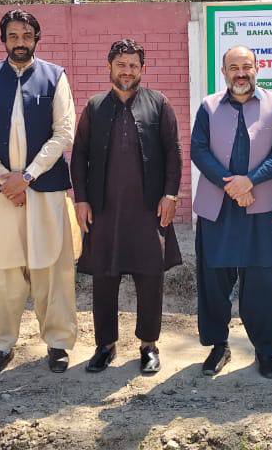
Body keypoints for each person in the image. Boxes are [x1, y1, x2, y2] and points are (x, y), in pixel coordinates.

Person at [0, 9, 77, 377]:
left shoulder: (54, 76)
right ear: (4, 40)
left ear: (36, 38)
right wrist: (4, 178)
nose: (20, 42)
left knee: (53, 266)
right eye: (13, 36)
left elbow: (64, 132)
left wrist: (27, 176)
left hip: (44, 188)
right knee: (0, 268)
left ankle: (59, 342)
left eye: (26, 35)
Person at [73, 38, 183, 374]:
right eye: (121, 64)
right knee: (104, 280)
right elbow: (79, 156)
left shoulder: (158, 104)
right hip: (104, 212)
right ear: (110, 67)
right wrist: (81, 199)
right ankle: (105, 345)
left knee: (150, 279)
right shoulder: (94, 107)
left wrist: (171, 195)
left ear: (142, 70)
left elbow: (173, 153)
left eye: (134, 65)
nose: (127, 71)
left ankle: (149, 345)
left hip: (149, 211)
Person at [191, 45, 272, 379]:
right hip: (217, 206)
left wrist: (250, 182)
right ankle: (218, 345)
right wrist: (229, 184)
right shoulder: (208, 106)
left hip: (257, 205)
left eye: (246, 66)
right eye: (233, 67)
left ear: (257, 68)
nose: (240, 73)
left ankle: (264, 350)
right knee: (214, 281)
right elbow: (199, 150)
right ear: (223, 72)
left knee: (262, 280)